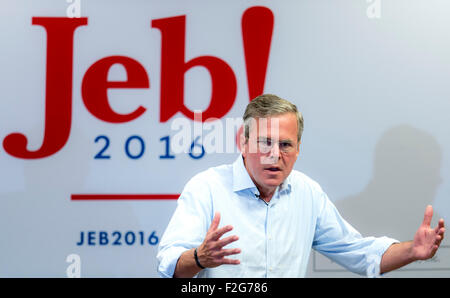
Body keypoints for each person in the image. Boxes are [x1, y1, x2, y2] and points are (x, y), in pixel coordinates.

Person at [156, 94, 445, 278]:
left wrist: (412, 251)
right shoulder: (206, 188)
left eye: (285, 145)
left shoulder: (307, 193)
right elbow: (168, 264)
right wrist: (199, 257)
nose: (274, 154)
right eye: (264, 142)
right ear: (242, 144)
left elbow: (359, 253)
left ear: (298, 150)